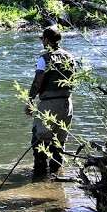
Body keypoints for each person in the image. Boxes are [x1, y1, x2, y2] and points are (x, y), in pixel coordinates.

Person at [26, 25, 75, 180]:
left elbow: (38, 81)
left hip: (49, 104)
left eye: (43, 39)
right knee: (59, 142)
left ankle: (39, 179)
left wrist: (30, 100)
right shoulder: (69, 57)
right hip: (67, 104)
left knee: (39, 141)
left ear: (46, 40)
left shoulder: (44, 58)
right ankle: (56, 178)